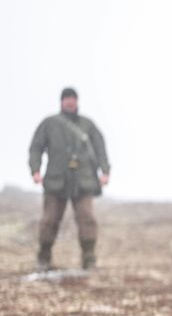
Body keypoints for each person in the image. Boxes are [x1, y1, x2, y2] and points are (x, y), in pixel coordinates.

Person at [29, 88, 111, 270]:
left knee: (87, 219)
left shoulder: (88, 124)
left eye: (72, 98)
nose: (70, 102)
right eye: (66, 99)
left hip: (83, 181)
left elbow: (100, 148)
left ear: (77, 101)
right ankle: (44, 257)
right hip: (55, 181)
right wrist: (35, 170)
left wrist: (105, 171)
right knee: (49, 220)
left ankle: (89, 259)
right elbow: (36, 147)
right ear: (61, 101)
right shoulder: (49, 124)